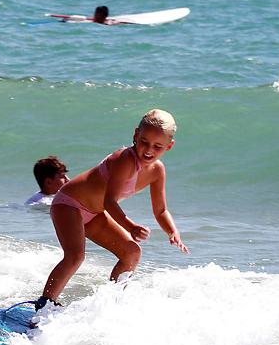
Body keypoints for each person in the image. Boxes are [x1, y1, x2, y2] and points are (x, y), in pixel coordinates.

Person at [37, 109, 188, 308]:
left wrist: (172, 231)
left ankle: (109, 306)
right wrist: (130, 226)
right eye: (144, 141)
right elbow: (110, 201)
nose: (149, 150)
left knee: (131, 253)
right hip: (69, 204)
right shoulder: (125, 159)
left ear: (169, 146)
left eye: (158, 146)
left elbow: (160, 210)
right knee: (75, 256)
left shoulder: (157, 171)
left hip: (94, 214)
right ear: (135, 135)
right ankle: (45, 305)